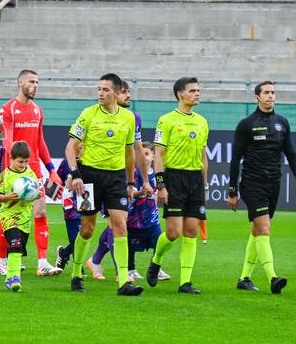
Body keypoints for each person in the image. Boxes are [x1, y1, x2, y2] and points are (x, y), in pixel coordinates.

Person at [63, 73, 143, 296]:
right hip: (89, 177)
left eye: (105, 90)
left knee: (120, 225)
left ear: (117, 93)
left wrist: (129, 181)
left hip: (116, 178)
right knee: (87, 229)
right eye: (99, 89)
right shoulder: (88, 114)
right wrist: (75, 174)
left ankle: (123, 282)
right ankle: (77, 272)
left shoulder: (127, 118)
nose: (100, 93)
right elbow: (70, 148)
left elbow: (129, 153)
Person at [228, 81, 296, 294]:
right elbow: (235, 160)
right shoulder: (246, 124)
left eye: (273, 92)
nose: (271, 96)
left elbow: (290, 152)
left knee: (257, 230)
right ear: (257, 97)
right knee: (264, 229)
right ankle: (273, 278)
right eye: (266, 93)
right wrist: (232, 191)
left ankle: (244, 278)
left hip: (274, 183)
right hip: (252, 183)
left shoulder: (282, 122)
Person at [146, 77, 209, 294]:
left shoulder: (202, 121)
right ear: (180, 95)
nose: (197, 94)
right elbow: (159, 154)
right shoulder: (167, 120)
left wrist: (205, 185)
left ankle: (185, 282)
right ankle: (156, 260)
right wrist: (161, 185)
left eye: (198, 90)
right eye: (193, 90)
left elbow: (203, 155)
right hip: (174, 179)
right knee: (173, 233)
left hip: (195, 181)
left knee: (191, 230)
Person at [0, 70, 63, 276]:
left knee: (41, 212)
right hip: (13, 171)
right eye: (32, 82)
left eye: (37, 82)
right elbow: (7, 139)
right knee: (9, 215)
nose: (35, 85)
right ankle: (2, 261)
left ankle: (42, 262)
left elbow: (40, 141)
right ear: (20, 83)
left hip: (34, 170)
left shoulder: (37, 110)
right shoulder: (7, 109)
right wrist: (16, 164)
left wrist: (51, 169)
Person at [87, 142, 170, 282]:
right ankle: (127, 269)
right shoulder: (133, 173)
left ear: (154, 157)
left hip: (150, 217)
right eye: (141, 154)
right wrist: (140, 192)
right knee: (119, 234)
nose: (144, 157)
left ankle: (156, 267)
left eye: (147, 154)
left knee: (158, 242)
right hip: (129, 214)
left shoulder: (156, 175)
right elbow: (125, 192)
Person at [0, 141, 40, 292]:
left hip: (25, 219)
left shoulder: (30, 174)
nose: (23, 164)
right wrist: (10, 197)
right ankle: (15, 278)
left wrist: (35, 195)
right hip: (9, 217)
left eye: (26, 161)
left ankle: (9, 279)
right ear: (11, 158)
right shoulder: (4, 175)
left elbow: (35, 194)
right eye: (20, 161)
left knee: (19, 248)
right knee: (15, 244)